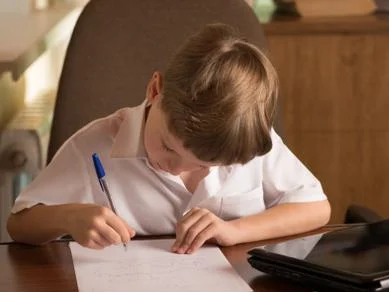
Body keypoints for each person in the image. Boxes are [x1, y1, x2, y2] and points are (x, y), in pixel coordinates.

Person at [7, 24, 330, 254]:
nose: (176, 168)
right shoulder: (94, 145)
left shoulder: (242, 142)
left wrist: (235, 231)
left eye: (207, 166)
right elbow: (19, 226)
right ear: (155, 90)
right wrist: (68, 216)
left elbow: (316, 209)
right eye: (167, 147)